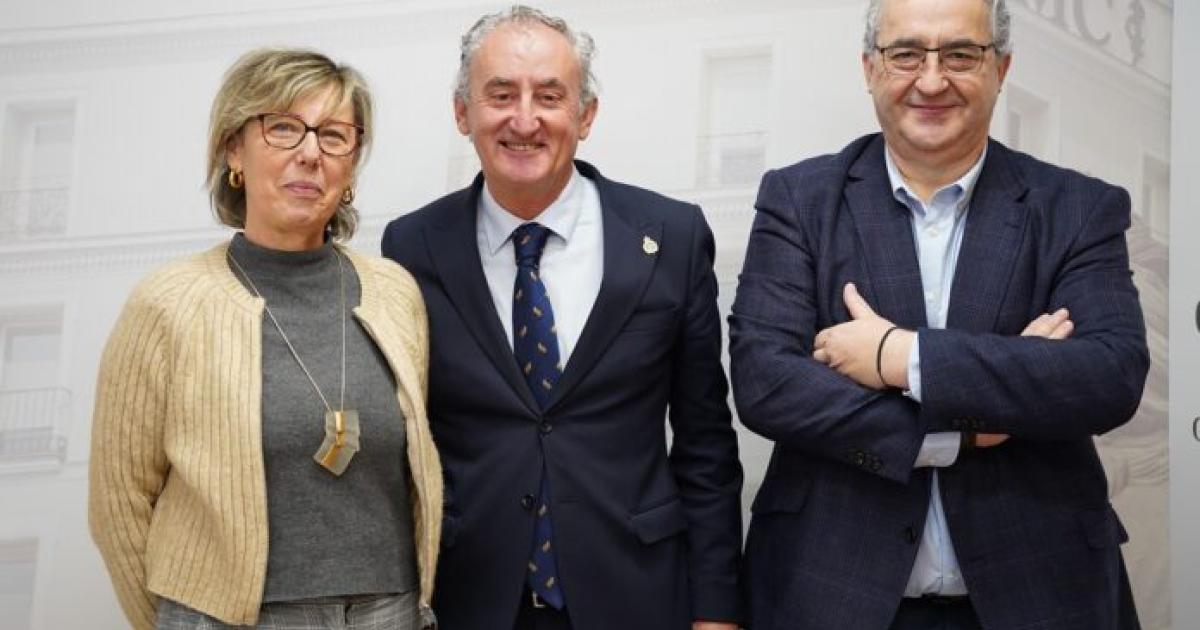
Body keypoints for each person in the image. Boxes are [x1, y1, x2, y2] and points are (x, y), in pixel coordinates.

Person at [729, 0, 1148, 628]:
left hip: (1039, 591)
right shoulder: (799, 201)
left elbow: (1108, 376)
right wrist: (965, 429)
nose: (931, 80)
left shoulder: (1078, 208)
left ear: (1000, 69)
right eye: (906, 55)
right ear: (869, 67)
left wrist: (898, 356)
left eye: (960, 54)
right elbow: (767, 382)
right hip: (830, 591)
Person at [381, 6, 742, 630]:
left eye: (549, 96)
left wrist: (717, 610)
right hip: (470, 600)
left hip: (635, 596)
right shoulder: (412, 247)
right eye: (500, 95)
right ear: (462, 112)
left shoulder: (670, 237)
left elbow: (705, 443)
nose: (525, 120)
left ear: (586, 115)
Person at [88, 48, 442, 630]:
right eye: (283, 128)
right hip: (228, 619)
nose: (310, 153)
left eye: (334, 136)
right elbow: (117, 503)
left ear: (352, 165)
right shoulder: (167, 303)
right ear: (234, 149)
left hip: (390, 612)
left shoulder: (395, 293)